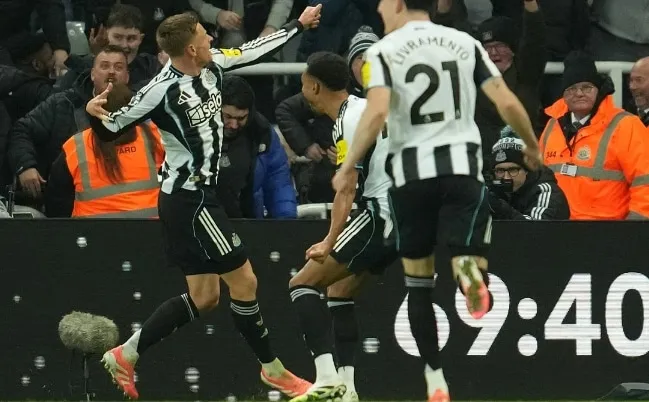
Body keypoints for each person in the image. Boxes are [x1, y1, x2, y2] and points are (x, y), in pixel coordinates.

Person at [85, 6, 322, 400]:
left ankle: (126, 354)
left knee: (205, 296)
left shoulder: (213, 66)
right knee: (245, 281)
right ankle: (273, 370)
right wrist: (94, 113)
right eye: (203, 35)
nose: (211, 38)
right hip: (189, 199)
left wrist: (297, 24)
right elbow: (112, 127)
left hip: (193, 198)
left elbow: (254, 49)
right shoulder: (160, 90)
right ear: (191, 49)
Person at [331, 0, 542, 401]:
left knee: (419, 283)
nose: (379, 9)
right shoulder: (464, 43)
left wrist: (348, 165)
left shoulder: (383, 51)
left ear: (398, 3)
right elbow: (506, 100)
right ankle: (468, 271)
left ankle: (435, 378)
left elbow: (376, 113)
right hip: (461, 171)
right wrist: (531, 145)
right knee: (467, 252)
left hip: (411, 178)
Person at [288, 51, 396, 402]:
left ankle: (326, 379)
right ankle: (347, 389)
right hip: (404, 217)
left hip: (382, 213)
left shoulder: (349, 118)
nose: (302, 91)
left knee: (302, 284)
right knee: (339, 291)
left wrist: (329, 239)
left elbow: (347, 187)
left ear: (315, 86)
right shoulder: (365, 109)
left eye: (304, 83)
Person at [488, 126, 570, 220]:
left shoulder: (545, 192)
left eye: (513, 170)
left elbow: (535, 227)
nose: (506, 177)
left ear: (527, 170)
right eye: (500, 171)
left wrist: (500, 208)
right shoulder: (495, 190)